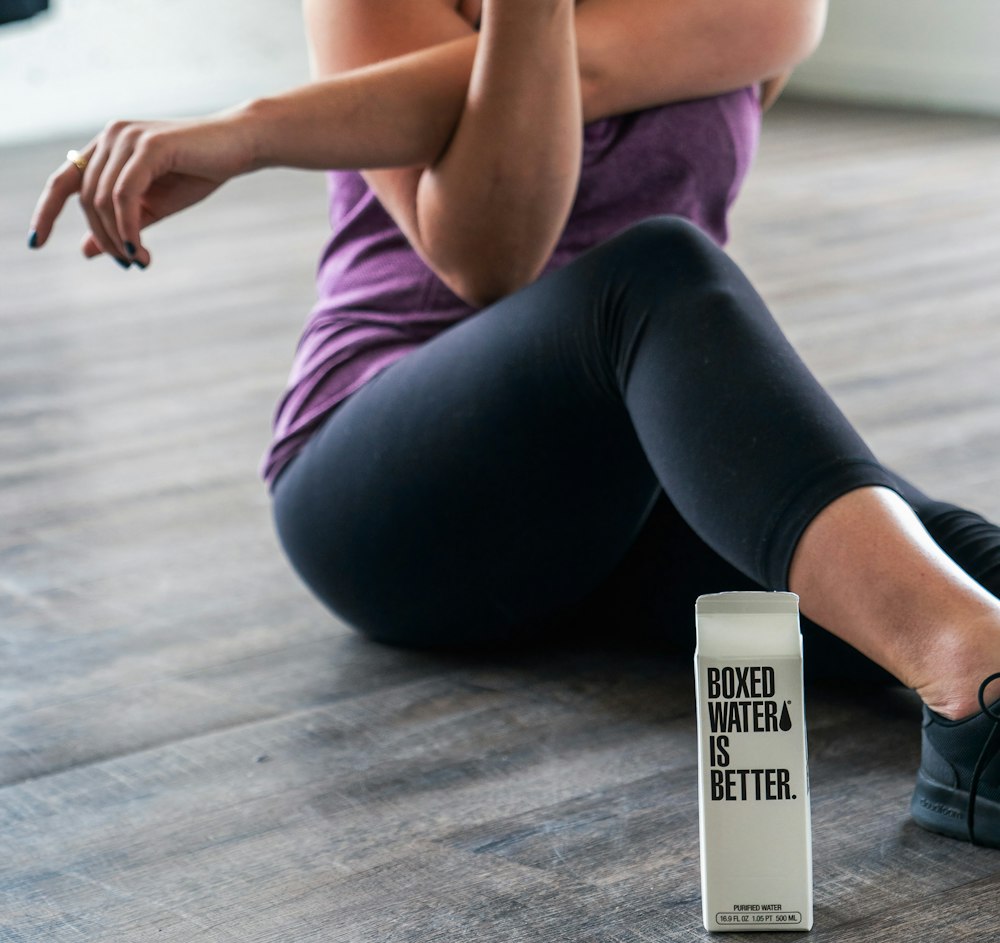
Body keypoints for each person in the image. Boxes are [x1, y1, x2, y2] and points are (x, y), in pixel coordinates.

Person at [27, 0, 1000, 848]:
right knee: (653, 274)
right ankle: (966, 678)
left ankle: (971, 668)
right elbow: (490, 261)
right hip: (395, 493)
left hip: (626, 497)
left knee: (957, 556)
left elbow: (588, 64)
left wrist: (245, 133)